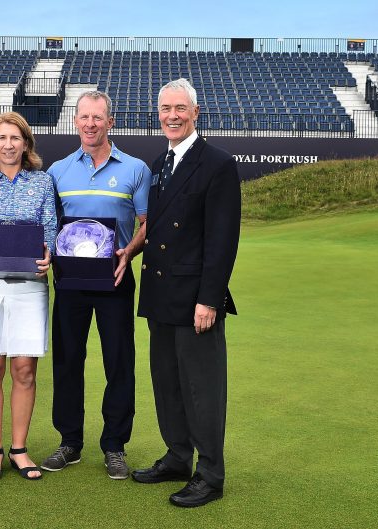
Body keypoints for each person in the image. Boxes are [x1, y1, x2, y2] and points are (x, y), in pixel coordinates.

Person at [131, 78, 241, 508]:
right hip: (161, 294)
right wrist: (128, 250)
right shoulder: (159, 163)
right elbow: (154, 229)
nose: (172, 115)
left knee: (202, 389)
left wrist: (209, 298)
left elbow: (222, 239)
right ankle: (178, 457)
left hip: (196, 299)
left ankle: (210, 474)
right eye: (165, 108)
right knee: (168, 385)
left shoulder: (217, 163)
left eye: (180, 108)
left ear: (196, 112)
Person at [42, 90, 151, 480]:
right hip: (70, 281)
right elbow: (49, 226)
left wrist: (129, 252)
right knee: (68, 359)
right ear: (75, 121)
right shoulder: (57, 170)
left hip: (115, 278)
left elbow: (145, 224)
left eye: (97, 117)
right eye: (84, 117)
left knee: (119, 362)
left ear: (110, 122)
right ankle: (69, 441)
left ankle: (115, 446)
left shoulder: (136, 169)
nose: (90, 124)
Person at [0, 112, 56, 482]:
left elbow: (50, 228)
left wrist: (50, 253)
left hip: (30, 287)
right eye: (1, 138)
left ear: (26, 143)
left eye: (15, 138)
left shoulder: (43, 182)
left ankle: (19, 449)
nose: (8, 145)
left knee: (24, 370)